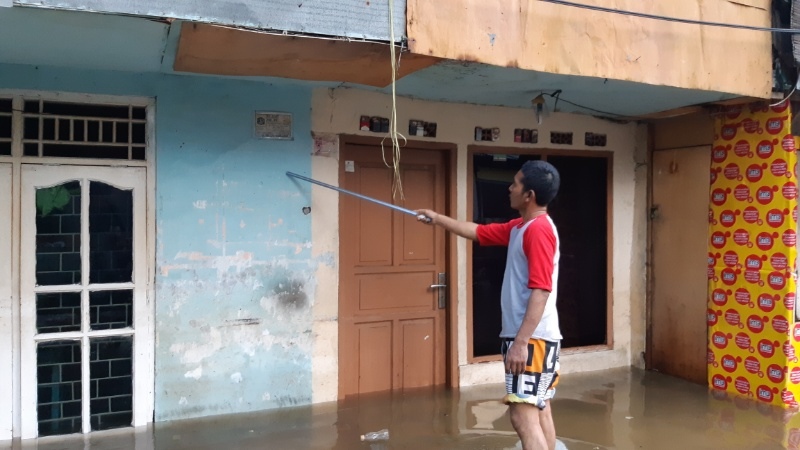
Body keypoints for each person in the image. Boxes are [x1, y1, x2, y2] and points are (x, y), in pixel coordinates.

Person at [416, 160, 561, 450]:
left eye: (515, 183)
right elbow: (478, 231)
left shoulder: (538, 231)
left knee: (522, 416)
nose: (510, 188)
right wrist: (437, 218)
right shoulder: (522, 226)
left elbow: (541, 290)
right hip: (536, 338)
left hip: (531, 339)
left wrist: (521, 343)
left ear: (529, 195)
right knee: (539, 408)